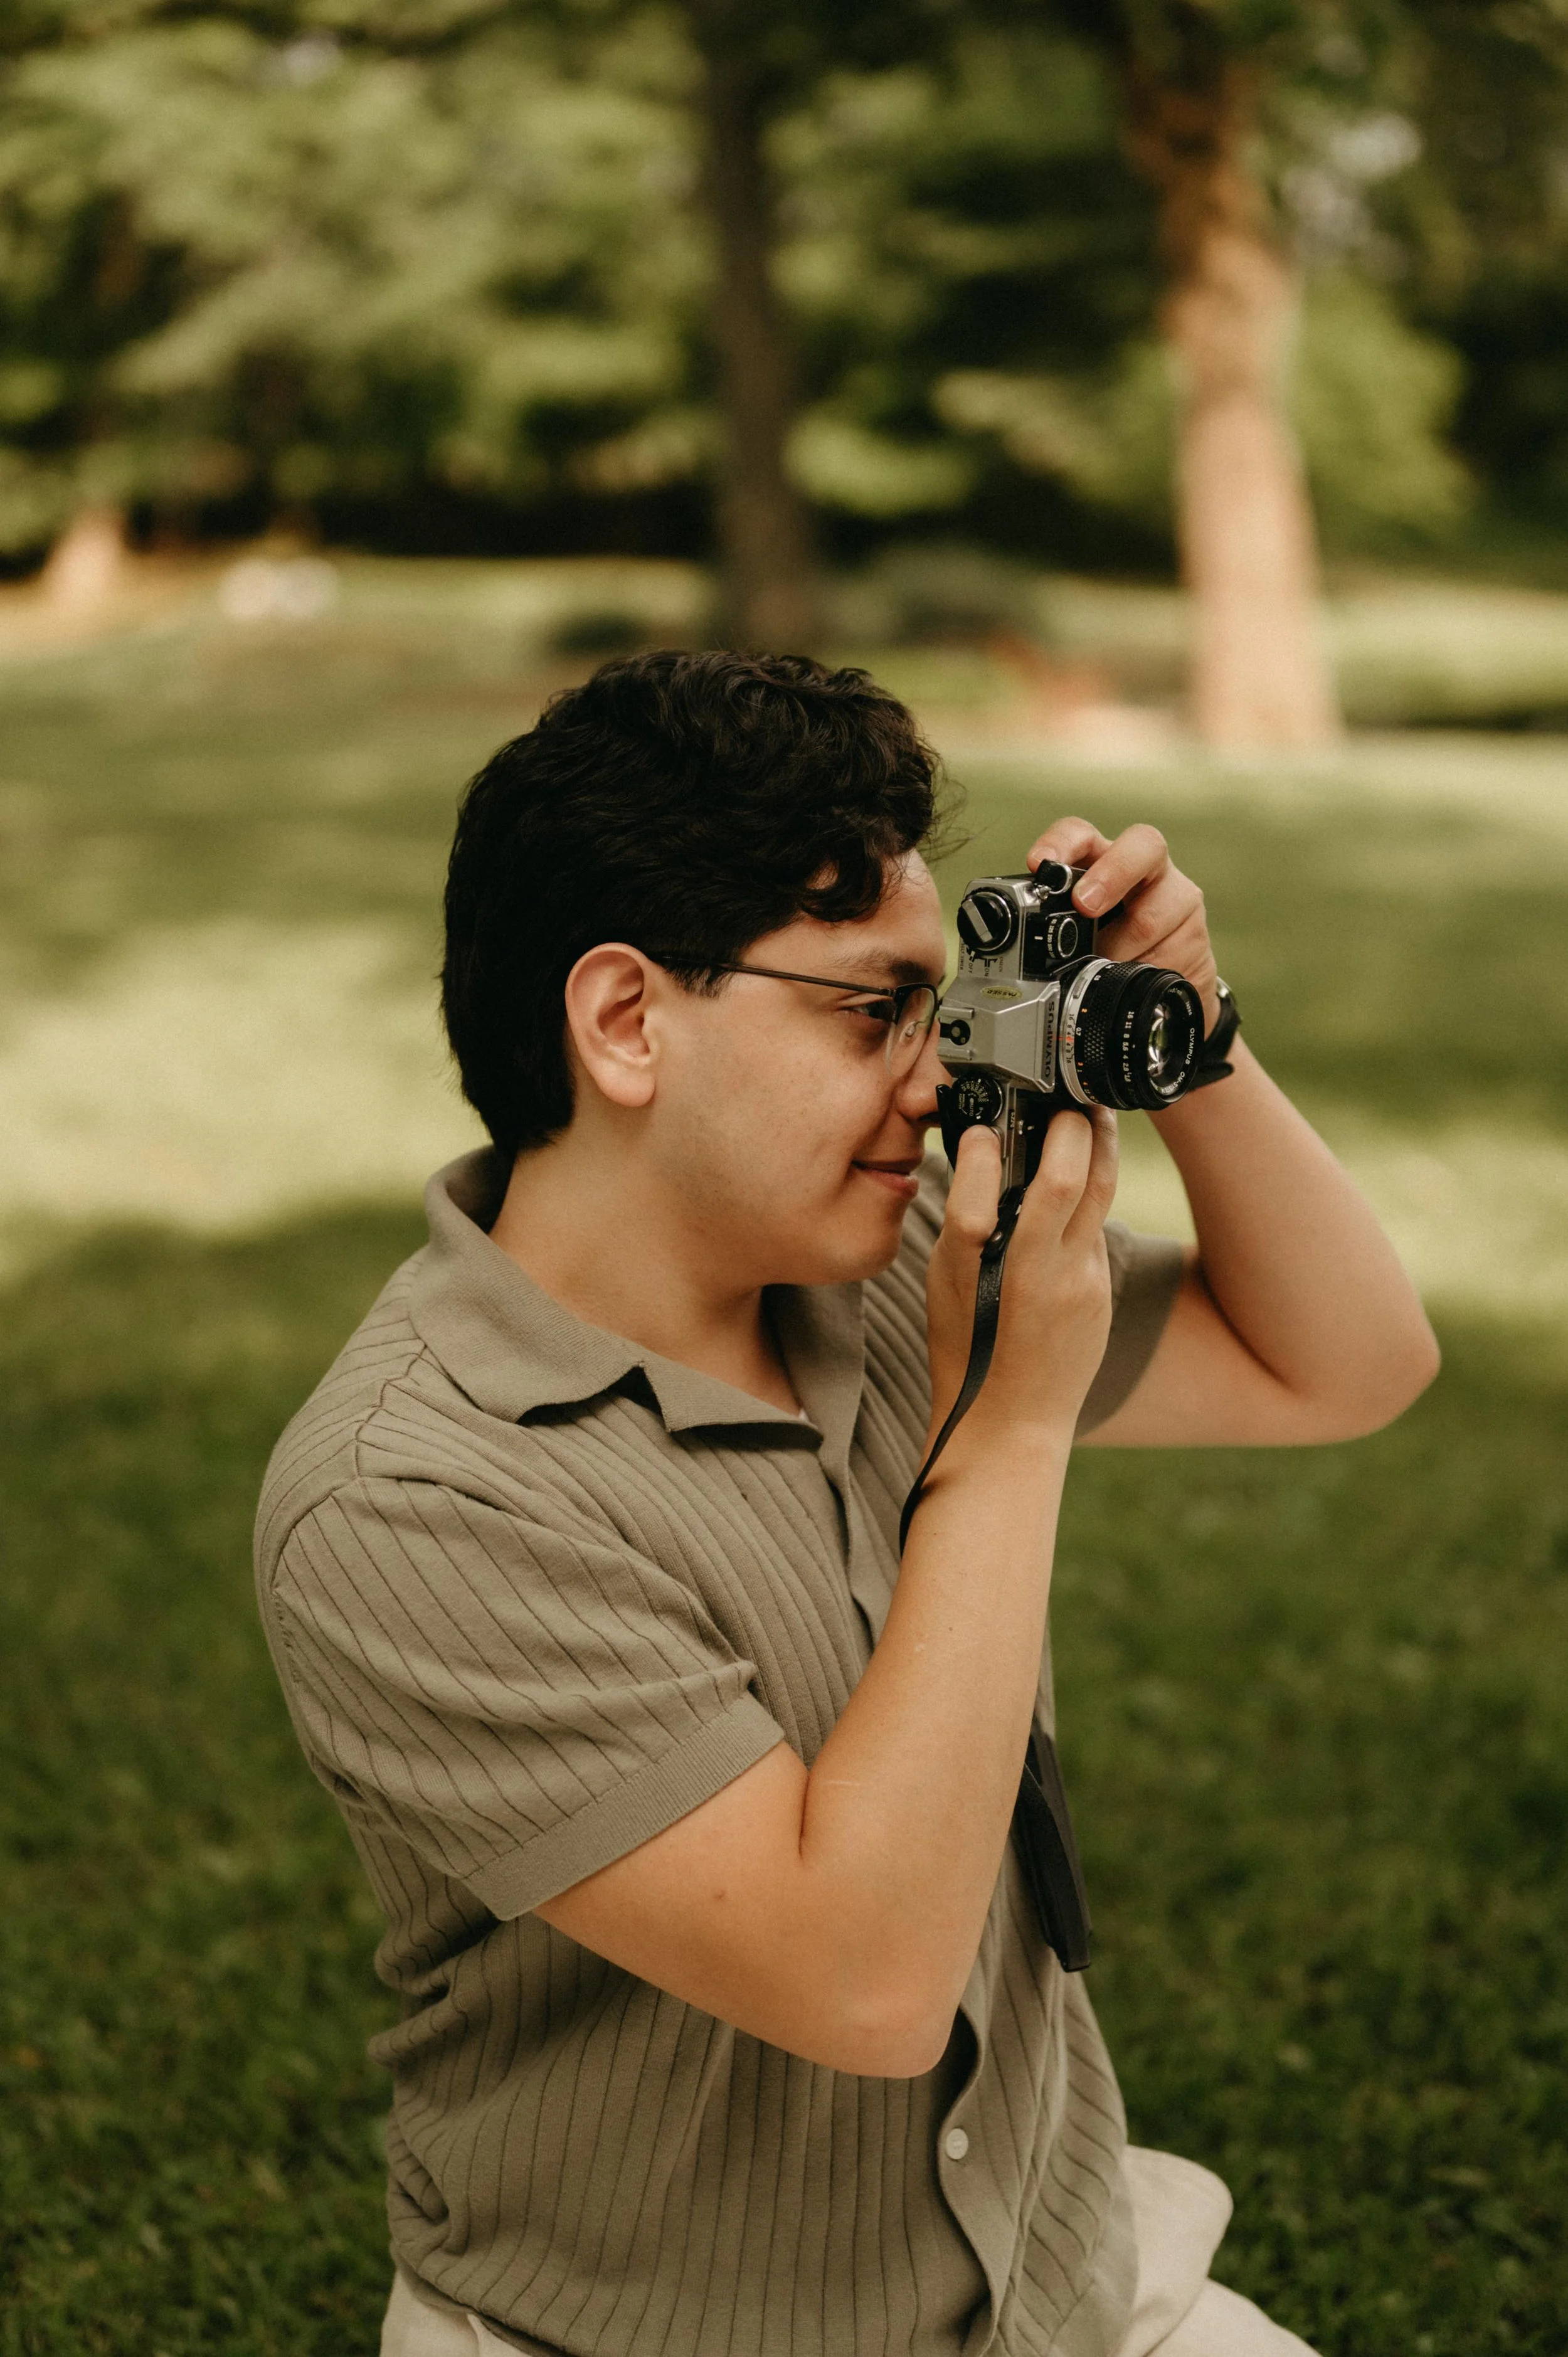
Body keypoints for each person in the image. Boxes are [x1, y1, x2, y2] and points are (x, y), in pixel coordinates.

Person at [255, 651, 1438, 2357]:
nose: (940, 1078)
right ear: (624, 1020)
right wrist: (1004, 1431)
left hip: (1055, 2292)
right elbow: (864, 1983)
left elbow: (1346, 1365)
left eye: (940, 1012)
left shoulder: (875, 1264)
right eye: (872, 1010)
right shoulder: (412, 1495)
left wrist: (1198, 1036)